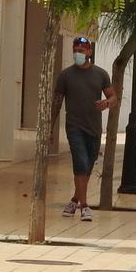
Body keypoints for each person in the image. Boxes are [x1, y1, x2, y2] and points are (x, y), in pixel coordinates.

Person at [52, 36, 118, 223]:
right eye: (75, 50)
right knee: (80, 162)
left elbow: (113, 96)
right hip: (74, 126)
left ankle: (74, 200)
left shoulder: (101, 74)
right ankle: (85, 206)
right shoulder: (65, 75)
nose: (78, 54)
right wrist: (49, 127)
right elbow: (57, 102)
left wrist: (106, 103)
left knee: (88, 165)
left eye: (81, 50)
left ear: (89, 52)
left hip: (94, 128)